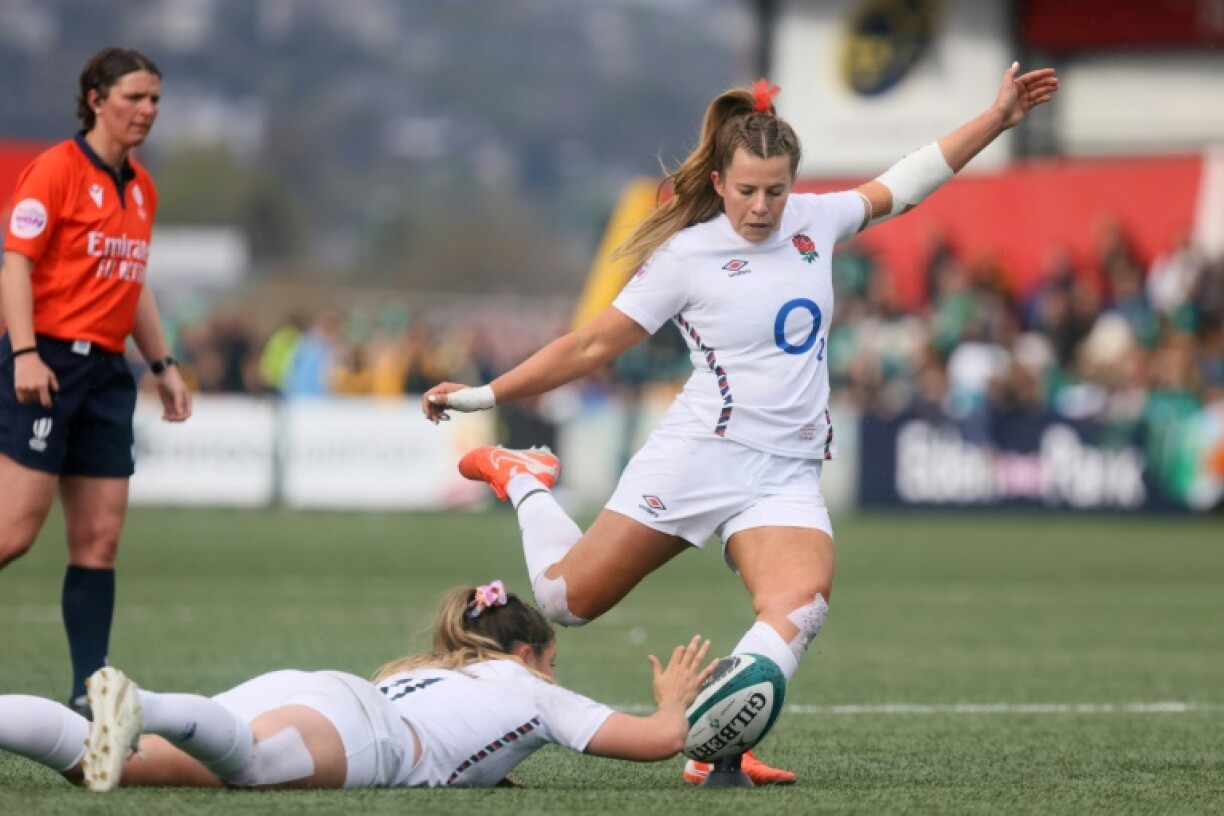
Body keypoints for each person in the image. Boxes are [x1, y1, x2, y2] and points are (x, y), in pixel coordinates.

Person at [423, 64, 1060, 784]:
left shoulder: (816, 221)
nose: (762, 206)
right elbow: (590, 345)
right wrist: (483, 395)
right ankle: (525, 478)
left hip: (783, 473)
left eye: (776, 191)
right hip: (701, 455)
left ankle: (718, 746)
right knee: (569, 602)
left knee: (801, 603)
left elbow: (907, 182)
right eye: (748, 190)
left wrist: (997, 117)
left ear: (794, 183)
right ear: (720, 182)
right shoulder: (685, 257)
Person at [0, 581, 714, 791]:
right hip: (364, 738)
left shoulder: (437, 669)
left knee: (114, 768)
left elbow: (469, 740)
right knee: (246, 765)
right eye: (552, 661)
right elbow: (659, 741)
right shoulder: (531, 689)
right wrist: (673, 702)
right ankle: (144, 705)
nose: (556, 676)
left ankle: (127, 719)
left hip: (316, 696)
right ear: (529, 652)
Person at [0, 47, 191, 716]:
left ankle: (88, 691)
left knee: (100, 539)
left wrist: (162, 365)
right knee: (13, 532)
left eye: (156, 100)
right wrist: (25, 352)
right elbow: (15, 265)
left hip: (109, 372)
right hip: (48, 363)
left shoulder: (141, 186)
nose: (148, 111)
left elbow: (131, 280)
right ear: (95, 98)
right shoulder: (53, 170)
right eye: (135, 97)